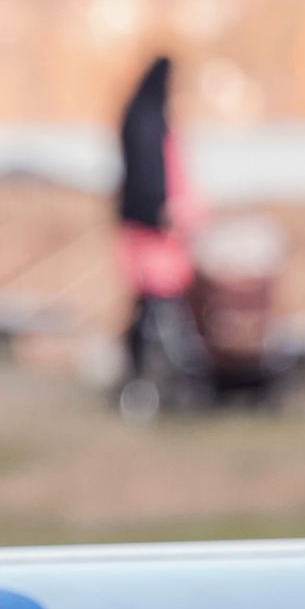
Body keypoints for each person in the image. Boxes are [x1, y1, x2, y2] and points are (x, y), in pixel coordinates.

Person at [115, 55, 202, 410]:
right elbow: (151, 177)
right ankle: (151, 377)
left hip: (143, 227)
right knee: (157, 307)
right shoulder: (148, 121)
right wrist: (162, 214)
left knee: (149, 309)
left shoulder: (137, 115)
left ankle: (144, 375)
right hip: (153, 232)